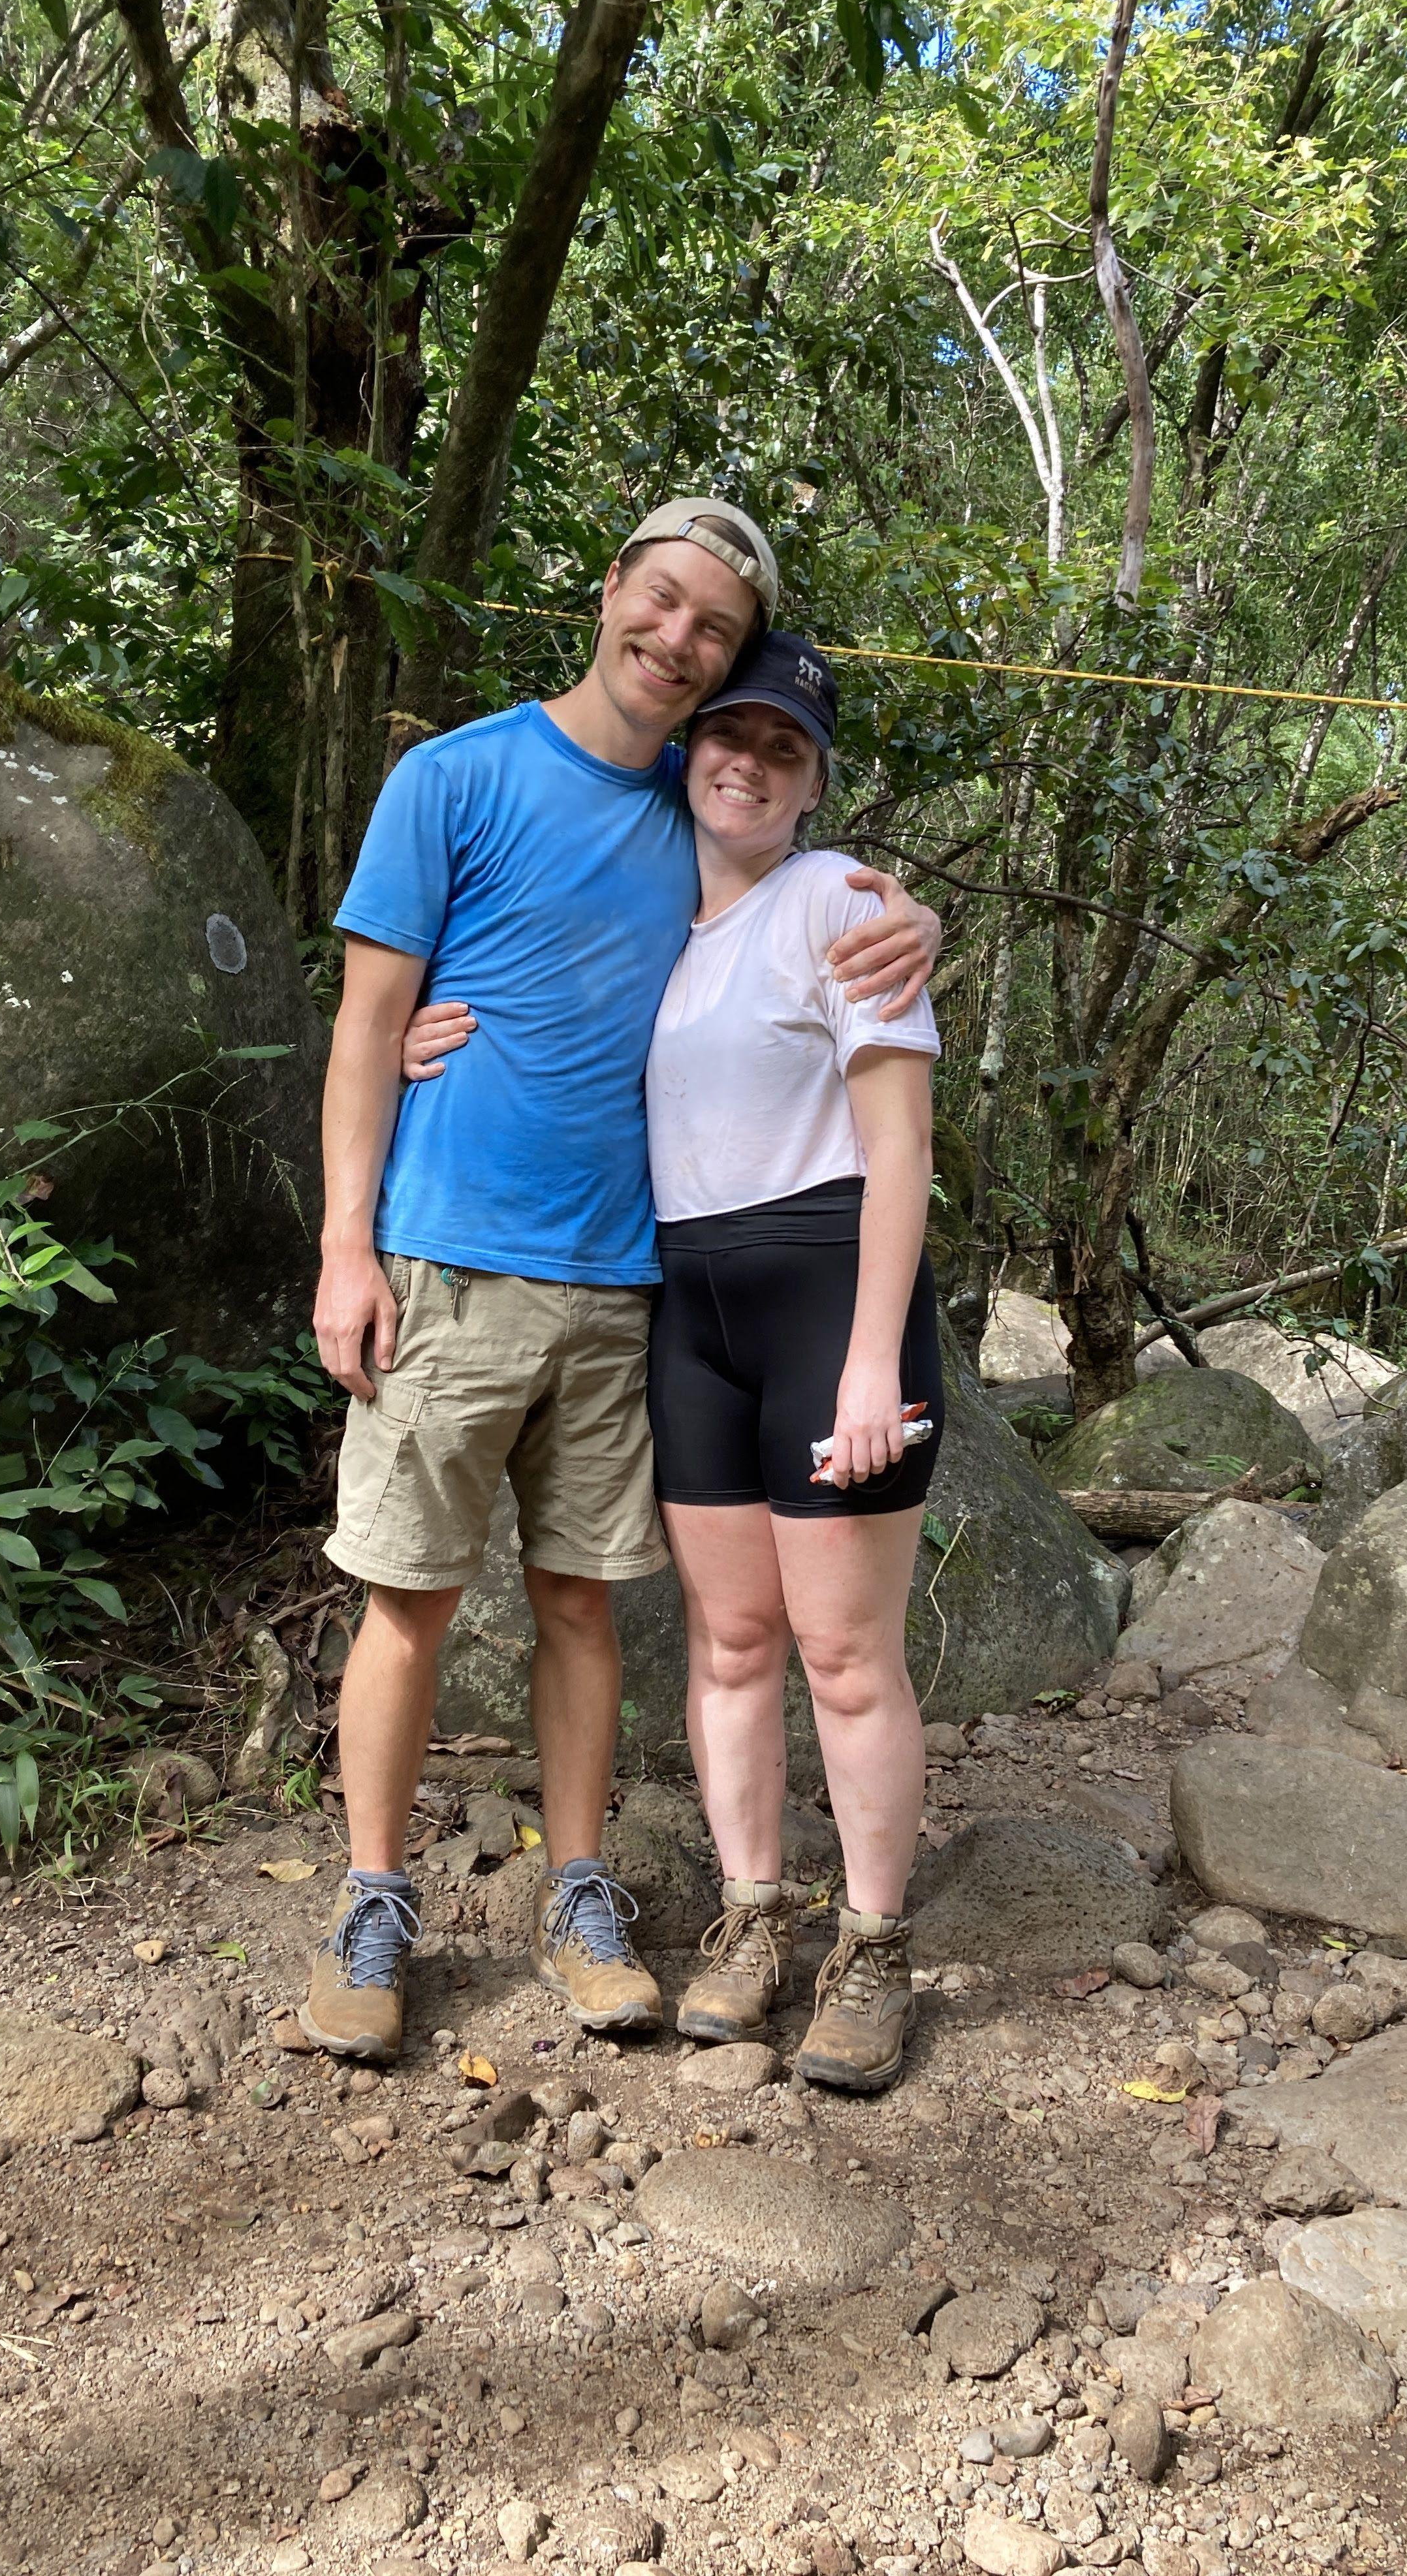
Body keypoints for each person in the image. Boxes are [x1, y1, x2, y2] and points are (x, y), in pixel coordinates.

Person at [302, 499, 941, 2067]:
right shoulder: (452, 776)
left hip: (624, 1282)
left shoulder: (708, 802)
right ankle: (375, 1903)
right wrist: (344, 1239)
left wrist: (913, 909)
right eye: (663, 607)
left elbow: (800, 865)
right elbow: (363, 1021)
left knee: (582, 1604)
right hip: (450, 1261)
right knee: (412, 1595)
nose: (679, 645)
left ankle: (584, 1891)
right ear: (609, 595)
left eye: (712, 630)